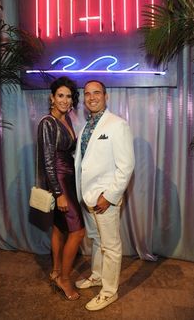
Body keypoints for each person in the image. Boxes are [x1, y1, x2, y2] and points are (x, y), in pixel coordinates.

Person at [74, 80, 135, 311]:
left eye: (96, 93)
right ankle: (98, 276)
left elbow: (126, 166)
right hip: (87, 197)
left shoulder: (117, 125)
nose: (91, 97)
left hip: (104, 199)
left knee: (110, 246)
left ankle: (109, 292)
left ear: (106, 96)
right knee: (97, 241)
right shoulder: (86, 126)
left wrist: (109, 196)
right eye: (87, 94)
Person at [37, 76, 85, 300]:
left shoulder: (67, 120)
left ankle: (56, 271)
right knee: (77, 231)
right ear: (52, 98)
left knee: (59, 228)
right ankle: (65, 279)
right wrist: (58, 193)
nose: (65, 100)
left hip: (69, 179)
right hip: (60, 182)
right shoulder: (47, 122)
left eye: (68, 96)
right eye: (60, 96)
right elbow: (48, 161)